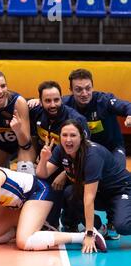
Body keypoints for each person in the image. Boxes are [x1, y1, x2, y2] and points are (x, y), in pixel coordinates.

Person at [37, 119, 131, 252]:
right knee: (70, 193)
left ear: (81, 137)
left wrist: (88, 235)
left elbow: (89, 198)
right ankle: (98, 228)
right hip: (101, 192)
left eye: (73, 135)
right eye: (64, 135)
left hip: (120, 191)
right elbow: (42, 174)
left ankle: (107, 220)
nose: (68, 140)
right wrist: (43, 159)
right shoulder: (60, 149)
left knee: (123, 226)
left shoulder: (92, 155)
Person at [29, 81, 90, 229]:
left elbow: (86, 153)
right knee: (37, 182)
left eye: (56, 100)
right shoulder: (35, 111)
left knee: (69, 192)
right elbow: (13, 101)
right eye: (47, 100)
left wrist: (64, 172)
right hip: (50, 163)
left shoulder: (77, 120)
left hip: (74, 166)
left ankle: (73, 222)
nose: (53, 104)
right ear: (40, 101)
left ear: (62, 98)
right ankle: (49, 222)